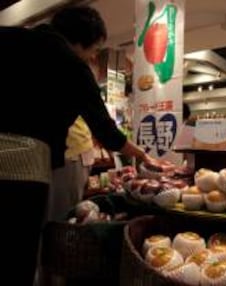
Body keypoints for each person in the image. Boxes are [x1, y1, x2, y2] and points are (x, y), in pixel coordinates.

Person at [0, 6, 155, 285]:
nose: (93, 56)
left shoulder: (9, 38)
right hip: (24, 166)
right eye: (94, 49)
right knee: (18, 249)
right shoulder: (72, 66)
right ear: (83, 40)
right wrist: (141, 154)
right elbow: (106, 131)